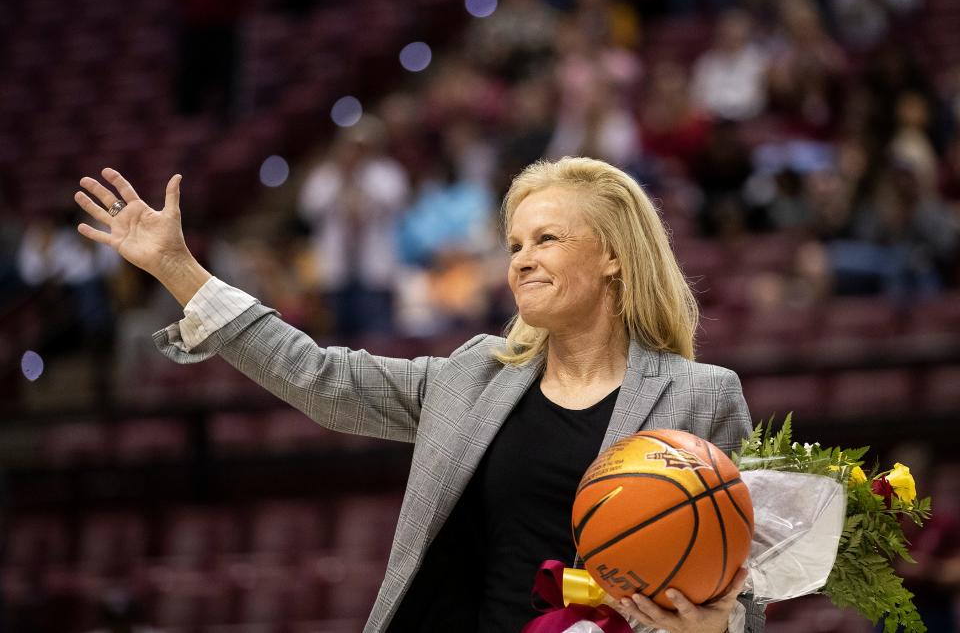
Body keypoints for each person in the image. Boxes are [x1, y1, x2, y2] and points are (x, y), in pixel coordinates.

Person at [72, 157, 765, 633]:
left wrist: (720, 623)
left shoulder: (703, 396)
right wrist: (177, 267)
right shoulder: (474, 375)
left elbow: (751, 581)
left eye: (546, 238)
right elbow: (322, 377)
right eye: (514, 242)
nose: (520, 257)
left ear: (613, 254)